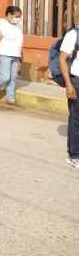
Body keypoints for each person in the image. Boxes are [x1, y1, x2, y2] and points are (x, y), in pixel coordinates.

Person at [0, 6, 24, 106]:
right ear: (9, 14)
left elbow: (18, 39)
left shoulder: (17, 24)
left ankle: (10, 98)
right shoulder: (1, 24)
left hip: (15, 54)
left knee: (12, 78)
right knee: (5, 77)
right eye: (16, 16)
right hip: (5, 54)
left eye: (19, 16)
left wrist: (21, 54)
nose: (18, 18)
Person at [58, 30, 79, 169]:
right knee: (76, 119)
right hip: (77, 81)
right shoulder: (74, 34)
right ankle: (74, 155)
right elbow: (62, 59)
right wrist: (68, 84)